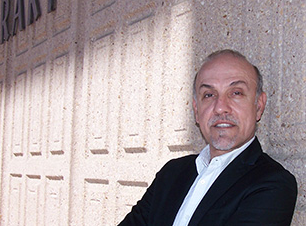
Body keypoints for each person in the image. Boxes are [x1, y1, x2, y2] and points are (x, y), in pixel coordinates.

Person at [118, 49, 298, 226]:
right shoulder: (171, 173)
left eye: (236, 93)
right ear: (197, 111)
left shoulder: (273, 184)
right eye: (209, 95)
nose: (220, 107)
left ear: (258, 106)